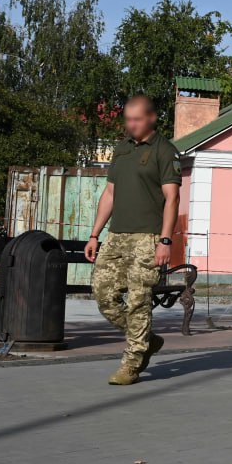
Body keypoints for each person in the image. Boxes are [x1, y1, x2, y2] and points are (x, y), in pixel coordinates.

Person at [84, 95, 181, 386]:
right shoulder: (122, 149)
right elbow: (110, 193)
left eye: (137, 119)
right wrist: (94, 234)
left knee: (139, 302)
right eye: (128, 119)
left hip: (147, 238)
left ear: (152, 118)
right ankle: (146, 340)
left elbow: (172, 198)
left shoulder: (165, 151)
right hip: (116, 236)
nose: (131, 124)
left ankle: (132, 362)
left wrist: (165, 241)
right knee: (103, 295)